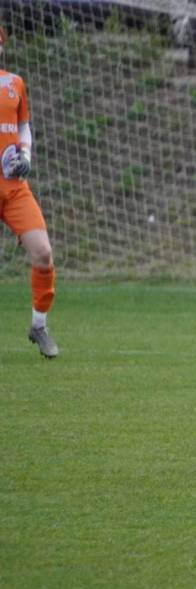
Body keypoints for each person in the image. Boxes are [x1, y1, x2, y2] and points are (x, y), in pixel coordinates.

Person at [0, 26, 58, 358]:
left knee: (43, 253)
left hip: (13, 186)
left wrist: (25, 156)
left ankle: (38, 326)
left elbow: (23, 127)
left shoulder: (14, 83)